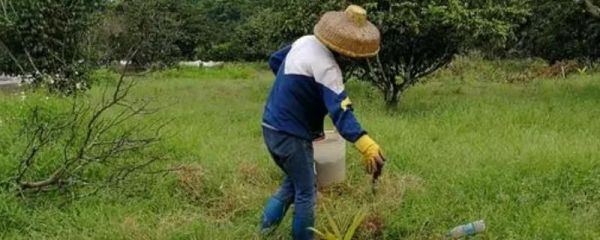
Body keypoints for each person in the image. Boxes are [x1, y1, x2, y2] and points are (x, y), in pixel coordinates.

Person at [260, 5, 385, 240]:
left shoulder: (304, 41)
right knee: (307, 192)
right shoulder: (329, 69)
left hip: (270, 124)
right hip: (291, 135)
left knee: (293, 183)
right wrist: (366, 144)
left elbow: (275, 61)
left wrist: (294, 93)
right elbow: (342, 113)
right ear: (347, 52)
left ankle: (263, 233)